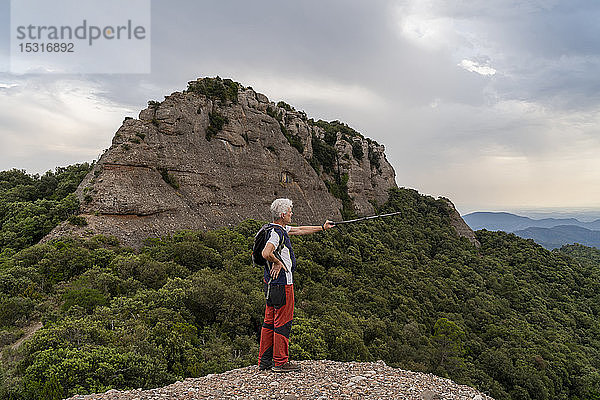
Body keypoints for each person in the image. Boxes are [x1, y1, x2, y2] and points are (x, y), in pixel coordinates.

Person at [257, 198, 334, 372]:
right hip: (283, 284)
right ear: (283, 214)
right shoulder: (277, 234)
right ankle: (281, 362)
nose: (292, 214)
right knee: (283, 322)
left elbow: (300, 230)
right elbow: (266, 252)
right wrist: (277, 262)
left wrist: (322, 227)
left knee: (269, 321)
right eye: (290, 211)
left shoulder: (274, 228)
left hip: (269, 283)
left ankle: (264, 361)